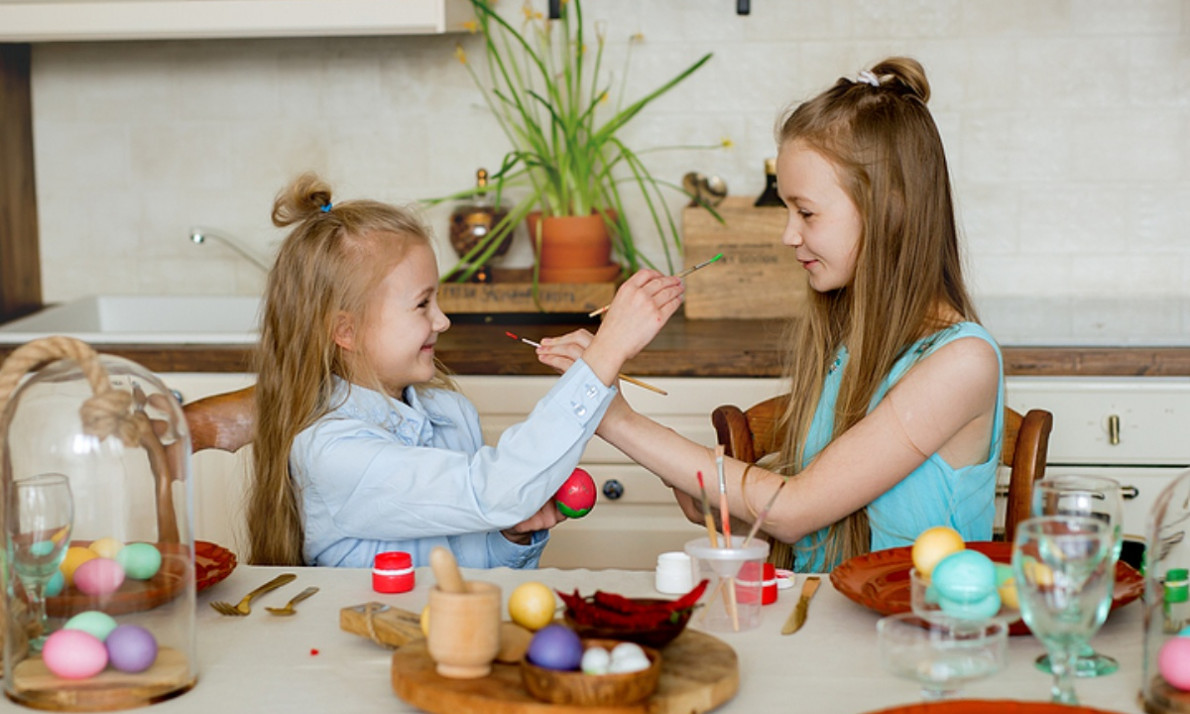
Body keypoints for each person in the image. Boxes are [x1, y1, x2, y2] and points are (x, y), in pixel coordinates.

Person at [538, 57, 1004, 572]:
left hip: (917, 635)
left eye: (805, 212)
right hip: (824, 618)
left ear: (889, 209)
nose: (788, 235)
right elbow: (777, 520)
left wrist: (612, 414)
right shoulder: (845, 343)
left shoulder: (962, 363)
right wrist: (706, 490)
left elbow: (792, 511)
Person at [247, 172, 683, 568]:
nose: (442, 321)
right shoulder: (332, 452)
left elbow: (467, 555)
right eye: (422, 304)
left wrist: (511, 536)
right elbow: (492, 491)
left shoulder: (451, 413)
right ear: (347, 329)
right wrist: (602, 357)